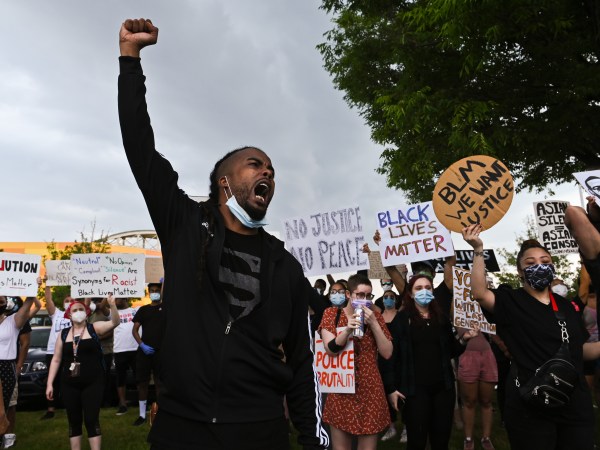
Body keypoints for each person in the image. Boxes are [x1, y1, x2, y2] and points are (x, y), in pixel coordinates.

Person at [118, 17, 329, 449]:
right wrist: (130, 59)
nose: (268, 170)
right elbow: (139, 146)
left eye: (271, 169)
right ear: (225, 182)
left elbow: (302, 361)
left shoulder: (284, 265)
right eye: (256, 163)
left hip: (260, 429)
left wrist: (310, 439)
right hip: (182, 427)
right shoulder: (185, 225)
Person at [462, 223, 600, 449]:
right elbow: (479, 293)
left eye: (545, 262)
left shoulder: (566, 307)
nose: (539, 266)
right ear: (520, 272)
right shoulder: (510, 301)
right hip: (531, 408)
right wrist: (478, 249)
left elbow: (578, 350)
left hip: (574, 405)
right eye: (530, 263)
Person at [381, 274, 474, 450]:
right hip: (415, 390)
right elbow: (391, 357)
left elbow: (450, 350)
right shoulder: (402, 320)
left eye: (428, 287)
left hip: (443, 389)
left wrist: (464, 340)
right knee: (417, 441)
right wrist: (391, 388)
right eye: (418, 288)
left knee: (441, 441)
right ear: (410, 293)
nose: (424, 291)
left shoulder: (441, 318)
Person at [319, 274, 392, 450]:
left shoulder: (376, 317)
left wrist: (374, 324)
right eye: (360, 295)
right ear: (349, 295)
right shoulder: (331, 314)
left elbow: (387, 352)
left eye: (368, 296)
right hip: (341, 388)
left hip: (370, 389)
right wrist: (347, 331)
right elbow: (330, 349)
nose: (364, 300)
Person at [46, 296, 120, 450]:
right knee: (73, 420)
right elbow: (56, 360)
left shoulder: (94, 328)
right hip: (69, 384)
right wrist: (49, 384)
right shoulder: (63, 334)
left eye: (81, 309)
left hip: (93, 382)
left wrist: (112, 306)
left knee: (91, 418)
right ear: (69, 314)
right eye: (75, 310)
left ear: (86, 313)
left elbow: (115, 322)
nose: (78, 312)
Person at [4, 295, 41, 449]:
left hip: (8, 367)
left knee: (10, 404)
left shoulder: (17, 321)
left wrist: (19, 366)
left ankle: (8, 436)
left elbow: (25, 344)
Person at [456, 326, 497, 450]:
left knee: (486, 401)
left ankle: (486, 437)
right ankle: (468, 439)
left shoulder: (486, 308)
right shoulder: (456, 308)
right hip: (467, 355)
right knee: (469, 401)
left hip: (487, 354)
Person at [131, 282, 164, 426]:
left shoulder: (166, 309)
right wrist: (142, 345)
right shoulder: (143, 310)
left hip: (161, 351)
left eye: (158, 290)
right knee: (142, 382)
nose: (155, 292)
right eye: (152, 290)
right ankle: (141, 414)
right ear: (149, 292)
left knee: (160, 382)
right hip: (145, 351)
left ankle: (162, 412)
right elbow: (134, 330)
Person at [41, 282, 73, 420]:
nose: (68, 303)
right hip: (52, 352)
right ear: (62, 303)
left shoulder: (77, 315)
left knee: (70, 380)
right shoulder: (57, 314)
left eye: (71, 301)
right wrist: (47, 285)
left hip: (69, 352)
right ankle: (51, 409)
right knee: (52, 380)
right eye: (66, 301)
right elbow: (48, 300)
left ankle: (70, 406)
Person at [113, 297, 139, 415]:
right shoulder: (113, 312)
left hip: (136, 349)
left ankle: (142, 402)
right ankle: (122, 404)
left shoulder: (136, 310)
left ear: (125, 298)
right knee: (120, 378)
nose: (115, 300)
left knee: (140, 377)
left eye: (118, 297)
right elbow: (102, 307)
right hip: (120, 349)